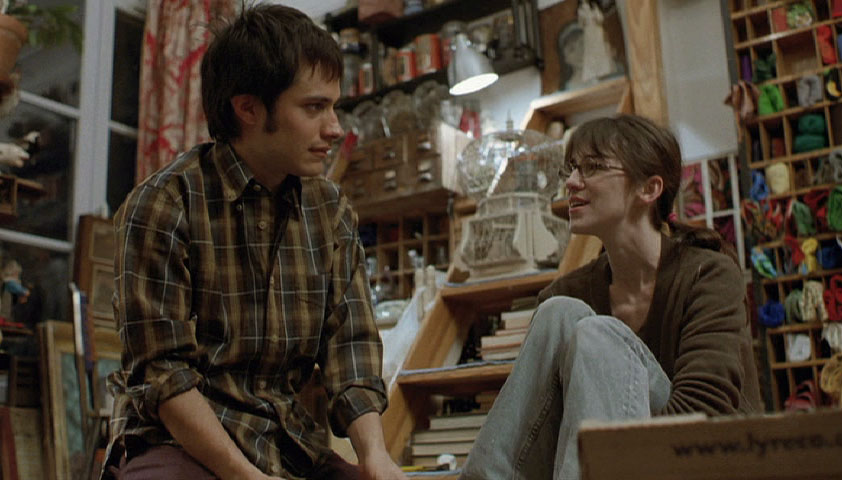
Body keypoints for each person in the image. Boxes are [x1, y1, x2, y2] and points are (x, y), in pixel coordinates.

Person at [101, 4, 406, 480]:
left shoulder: (330, 211)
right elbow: (163, 377)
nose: (335, 127)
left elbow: (351, 349)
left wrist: (374, 455)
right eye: (314, 107)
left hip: (288, 443)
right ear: (247, 109)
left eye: (333, 106)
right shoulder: (164, 204)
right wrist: (246, 477)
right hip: (181, 443)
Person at [460, 114, 762, 480]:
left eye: (592, 168)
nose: (571, 182)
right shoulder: (567, 293)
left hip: (705, 463)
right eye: (572, 169)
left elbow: (703, 416)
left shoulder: (708, 275)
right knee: (559, 313)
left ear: (649, 189)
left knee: (597, 334)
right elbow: (542, 432)